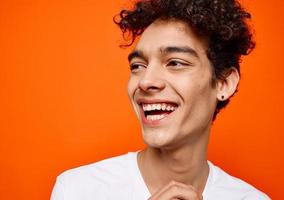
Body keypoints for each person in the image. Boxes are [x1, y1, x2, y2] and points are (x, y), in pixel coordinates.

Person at [51, 0, 270, 199]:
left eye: (175, 63)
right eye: (138, 66)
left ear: (223, 83)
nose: (145, 81)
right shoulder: (77, 190)